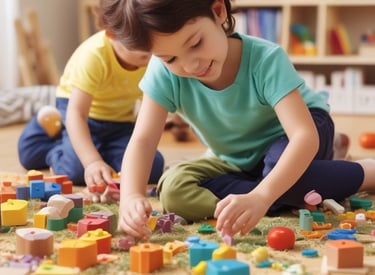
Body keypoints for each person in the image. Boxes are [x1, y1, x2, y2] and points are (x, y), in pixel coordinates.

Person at [101, 0, 375, 238]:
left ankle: (365, 172)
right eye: (170, 58)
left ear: (218, 11)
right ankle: (296, 182)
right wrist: (131, 196)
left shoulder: (265, 59)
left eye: (196, 43)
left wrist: (262, 197)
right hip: (237, 159)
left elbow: (304, 136)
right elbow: (143, 140)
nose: (190, 65)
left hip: (302, 133)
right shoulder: (164, 73)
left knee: (280, 173)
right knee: (173, 190)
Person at [17, 28, 165, 202]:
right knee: (73, 170)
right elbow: (77, 113)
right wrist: (92, 162)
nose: (150, 53)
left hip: (119, 122)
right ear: (111, 34)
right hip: (79, 114)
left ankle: (90, 147)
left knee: (152, 166)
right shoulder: (95, 55)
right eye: (139, 46)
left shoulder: (154, 59)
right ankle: (51, 125)